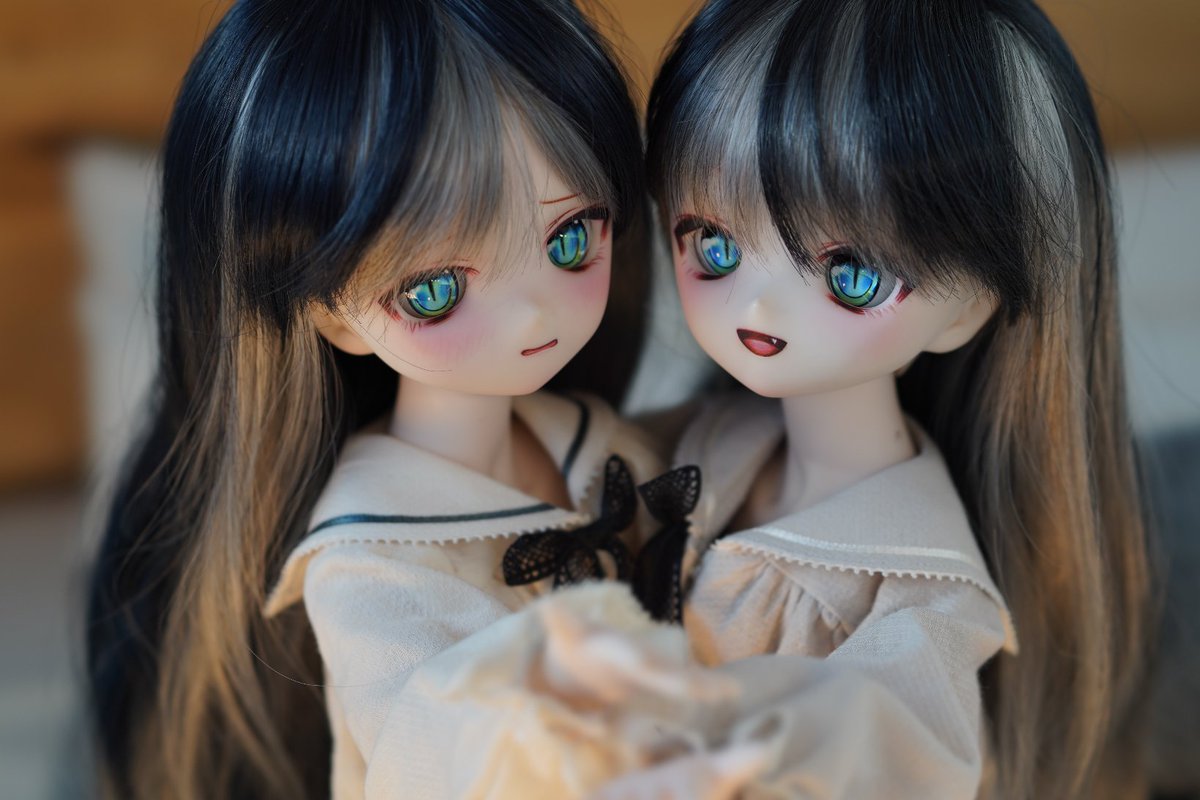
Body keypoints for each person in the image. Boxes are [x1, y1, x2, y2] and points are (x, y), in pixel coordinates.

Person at [382, 1, 1153, 798]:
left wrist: (721, 747)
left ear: (969, 306)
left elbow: (892, 736)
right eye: (715, 246)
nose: (756, 308)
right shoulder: (692, 448)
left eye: (852, 275)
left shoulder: (920, 593)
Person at [83, 1, 658, 798]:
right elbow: (447, 761)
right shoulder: (371, 565)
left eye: (569, 240)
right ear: (333, 318)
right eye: (434, 290)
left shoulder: (593, 443)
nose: (534, 314)